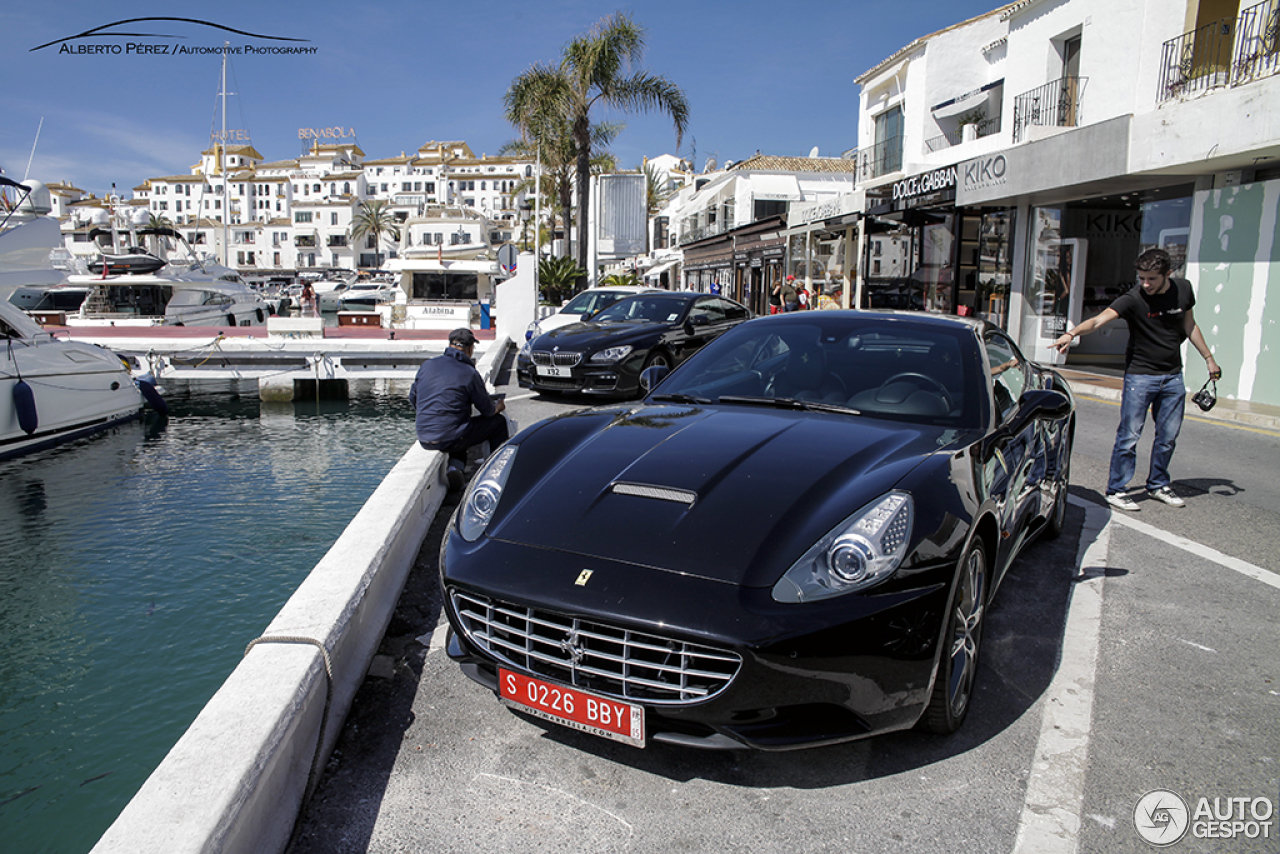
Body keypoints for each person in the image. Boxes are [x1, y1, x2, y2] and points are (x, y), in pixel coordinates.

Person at [1053, 248, 1222, 511]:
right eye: (1141, 277)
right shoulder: (1133, 298)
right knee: (1129, 436)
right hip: (1140, 376)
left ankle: (1157, 484)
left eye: (1151, 278)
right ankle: (1116, 490)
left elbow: (1190, 325)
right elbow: (1098, 321)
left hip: (1173, 376)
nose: (1145, 283)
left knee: (1167, 436)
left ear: (1168, 274)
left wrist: (1209, 358)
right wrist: (1072, 334)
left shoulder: (1184, 290)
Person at [409, 327, 508, 490]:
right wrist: (498, 406)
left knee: (459, 427)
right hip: (452, 436)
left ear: (449, 345)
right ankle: (498, 473)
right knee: (497, 423)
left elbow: (413, 398)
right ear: (470, 348)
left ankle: (456, 468)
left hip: (425, 436)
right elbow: (487, 411)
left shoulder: (427, 365)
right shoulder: (469, 372)